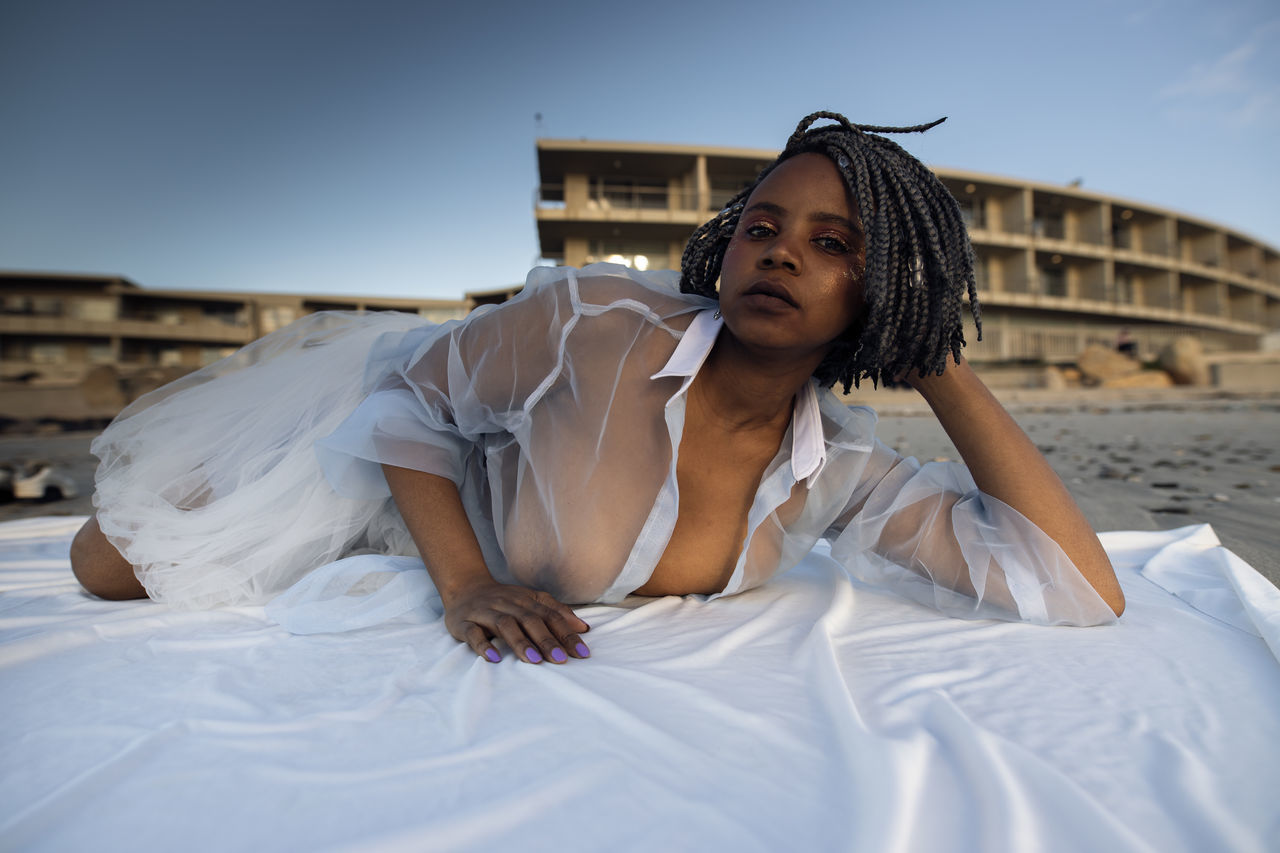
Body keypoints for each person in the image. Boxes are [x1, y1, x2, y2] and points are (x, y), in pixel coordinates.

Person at [70, 111, 1125, 665]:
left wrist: (938, 363)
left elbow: (1075, 590)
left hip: (467, 494)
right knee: (110, 564)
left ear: (881, 284)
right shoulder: (595, 325)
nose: (780, 253)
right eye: (760, 227)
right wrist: (465, 587)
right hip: (387, 464)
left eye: (832, 243)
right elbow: (404, 405)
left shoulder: (837, 470)